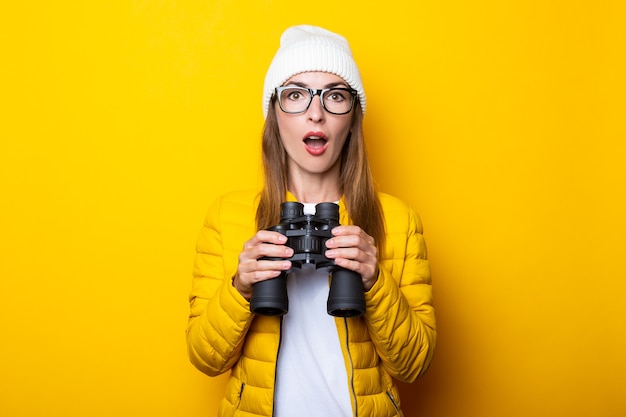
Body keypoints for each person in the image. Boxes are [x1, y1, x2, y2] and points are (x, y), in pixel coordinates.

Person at [186, 25, 436, 417]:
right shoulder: (227, 216)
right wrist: (241, 287)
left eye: (335, 96)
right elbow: (204, 358)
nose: (315, 113)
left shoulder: (397, 220)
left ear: (352, 119)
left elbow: (416, 365)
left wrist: (374, 280)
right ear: (274, 116)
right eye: (296, 95)